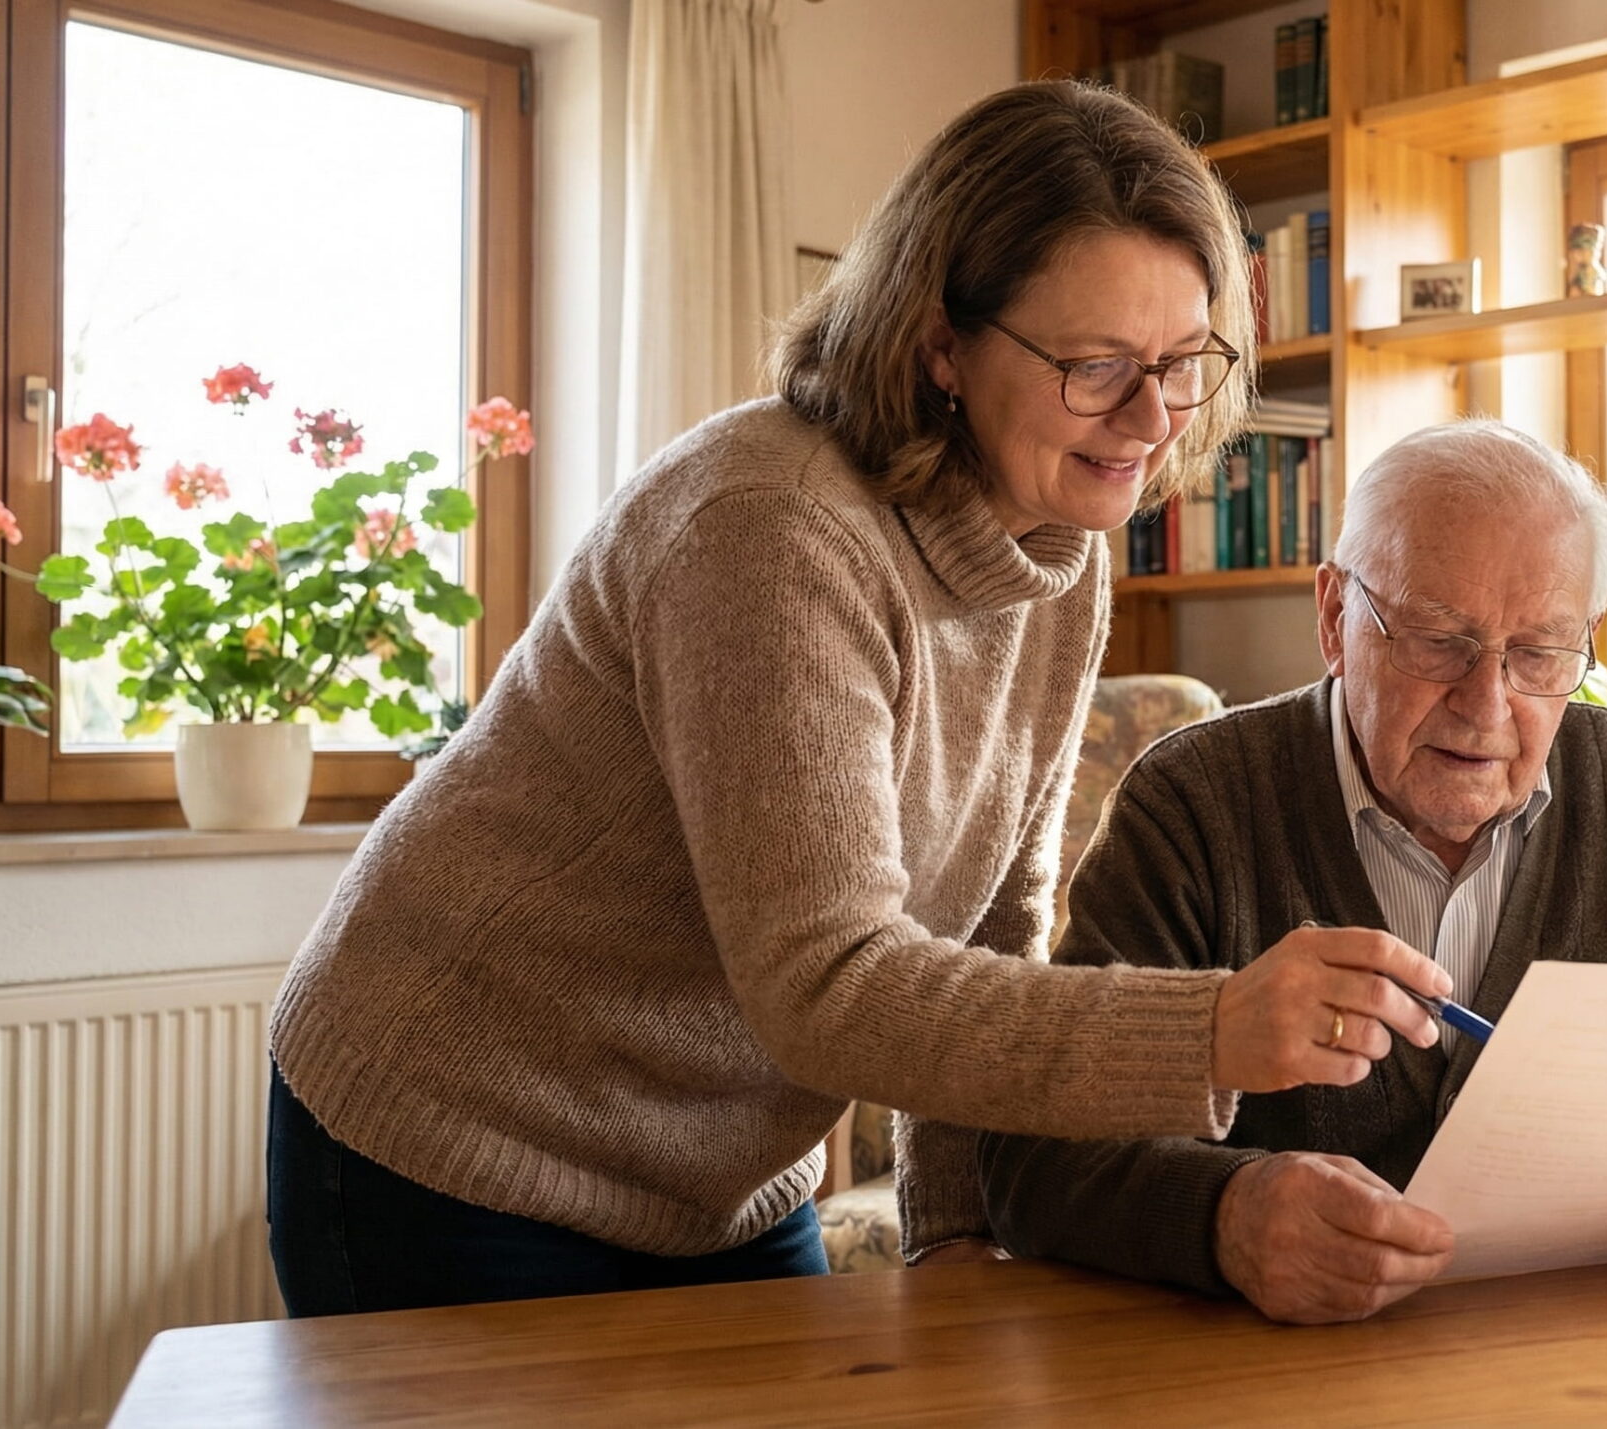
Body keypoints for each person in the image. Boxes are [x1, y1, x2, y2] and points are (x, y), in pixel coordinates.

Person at [263, 81, 1455, 1317]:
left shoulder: (1057, 547)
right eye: (1097, 366)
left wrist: (951, 1239)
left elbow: (988, 927)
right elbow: (830, 985)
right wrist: (1210, 1030)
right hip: (453, 1140)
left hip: (721, 1178)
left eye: (1184, 362)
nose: (1152, 420)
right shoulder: (771, 529)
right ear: (941, 344)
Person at [977, 420, 1607, 1325]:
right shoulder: (1196, 802)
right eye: (1438, 640)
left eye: (1540, 653)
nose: (1487, 703)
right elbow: (1031, 1155)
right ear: (1334, 618)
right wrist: (1225, 1216)